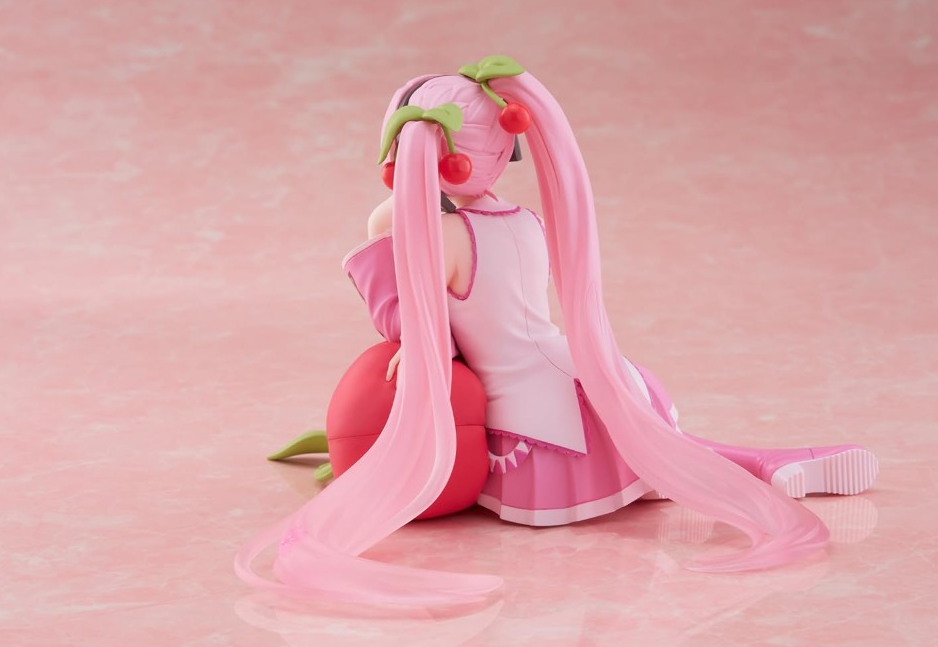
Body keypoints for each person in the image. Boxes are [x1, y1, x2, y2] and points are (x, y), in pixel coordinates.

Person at [236, 57, 878, 605]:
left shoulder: (443, 235)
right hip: (592, 372)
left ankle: (738, 468)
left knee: (645, 453)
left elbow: (405, 319)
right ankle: (763, 462)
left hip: (532, 418)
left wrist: (393, 225)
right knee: (659, 445)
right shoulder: (529, 221)